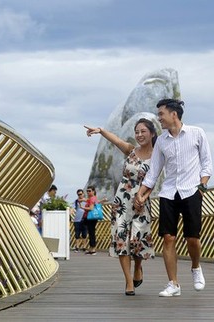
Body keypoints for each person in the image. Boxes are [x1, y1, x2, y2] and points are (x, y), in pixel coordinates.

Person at [135, 98, 213, 297]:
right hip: (169, 193)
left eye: (161, 114)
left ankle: (196, 268)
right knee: (168, 238)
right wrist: (141, 193)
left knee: (192, 238)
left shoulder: (197, 133)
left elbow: (207, 163)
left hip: (191, 191)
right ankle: (173, 284)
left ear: (173, 114)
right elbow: (154, 172)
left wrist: (202, 185)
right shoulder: (161, 140)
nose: (159, 118)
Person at [85, 118, 157, 296]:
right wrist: (101, 130)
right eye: (137, 132)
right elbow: (116, 140)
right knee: (122, 239)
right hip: (122, 202)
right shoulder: (131, 151)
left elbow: (153, 181)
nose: (139, 135)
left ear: (152, 133)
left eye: (143, 131)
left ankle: (138, 267)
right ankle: (128, 281)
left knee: (138, 240)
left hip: (142, 202)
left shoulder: (157, 156)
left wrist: (143, 197)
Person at [80, 185, 98, 255]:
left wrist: (82, 207)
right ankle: (91, 248)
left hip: (91, 218)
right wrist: (82, 199)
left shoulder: (92, 198)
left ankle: (93, 249)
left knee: (92, 233)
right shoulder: (92, 198)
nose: (88, 192)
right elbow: (87, 200)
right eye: (87, 191)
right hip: (91, 218)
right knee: (90, 232)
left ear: (93, 191)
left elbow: (91, 208)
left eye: (89, 191)